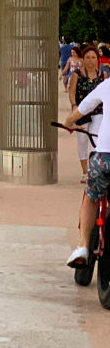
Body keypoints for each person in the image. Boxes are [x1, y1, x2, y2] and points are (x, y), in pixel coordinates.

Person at [65, 76, 110, 269]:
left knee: (91, 197)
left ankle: (83, 246)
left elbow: (81, 110)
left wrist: (68, 122)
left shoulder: (107, 85)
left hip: (104, 157)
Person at [69, 44, 106, 182]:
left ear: (98, 59)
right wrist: (74, 106)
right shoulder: (77, 74)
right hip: (82, 112)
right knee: (83, 140)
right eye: (88, 57)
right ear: (83, 59)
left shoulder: (103, 75)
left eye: (93, 57)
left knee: (96, 140)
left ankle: (93, 169)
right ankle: (84, 171)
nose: (91, 60)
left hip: (98, 112)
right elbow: (72, 93)